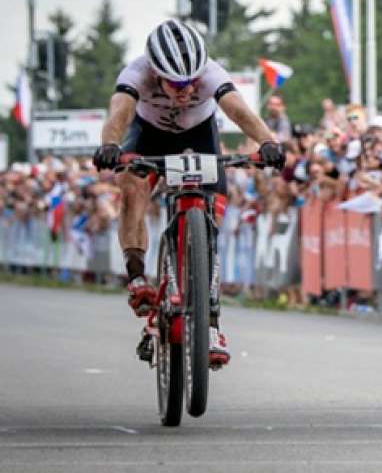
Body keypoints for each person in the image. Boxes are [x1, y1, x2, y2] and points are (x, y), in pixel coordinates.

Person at [91, 19, 285, 368]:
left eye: (192, 82)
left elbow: (239, 110)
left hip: (199, 136)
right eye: (177, 83)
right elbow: (119, 115)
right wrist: (109, 145)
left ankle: (210, 325)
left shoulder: (210, 72)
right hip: (149, 135)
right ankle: (137, 278)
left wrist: (268, 141)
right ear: (156, 72)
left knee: (211, 226)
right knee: (131, 187)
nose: (186, 89)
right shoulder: (136, 73)